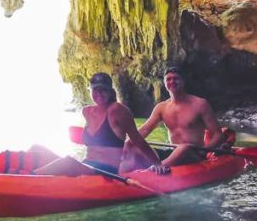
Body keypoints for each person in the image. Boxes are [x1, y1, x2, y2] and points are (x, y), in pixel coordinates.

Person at [35, 72, 164, 176]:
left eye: (103, 90)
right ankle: (29, 175)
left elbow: (137, 139)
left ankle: (29, 178)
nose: (99, 94)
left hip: (106, 171)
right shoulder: (87, 111)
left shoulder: (117, 110)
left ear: (110, 91)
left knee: (68, 162)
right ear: (90, 90)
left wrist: (157, 163)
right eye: (95, 90)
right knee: (37, 148)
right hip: (87, 165)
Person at [132, 67, 225, 169]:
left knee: (184, 148)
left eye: (176, 78)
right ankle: (124, 176)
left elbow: (218, 135)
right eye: (168, 79)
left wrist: (204, 151)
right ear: (165, 83)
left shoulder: (200, 104)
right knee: (136, 149)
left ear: (183, 81)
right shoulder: (161, 107)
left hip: (194, 153)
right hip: (172, 152)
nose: (172, 81)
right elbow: (145, 129)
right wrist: (129, 141)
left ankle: (159, 167)